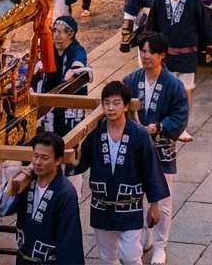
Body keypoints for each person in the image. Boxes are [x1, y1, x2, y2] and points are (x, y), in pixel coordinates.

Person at [71, 81, 167, 265]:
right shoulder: (95, 132)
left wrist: (154, 205)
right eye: (106, 103)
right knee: (107, 258)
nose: (111, 108)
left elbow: (150, 170)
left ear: (126, 106)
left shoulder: (139, 134)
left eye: (116, 103)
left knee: (131, 256)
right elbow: (80, 162)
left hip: (129, 206)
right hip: (102, 206)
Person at [121, 34, 188, 264]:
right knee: (137, 196)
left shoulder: (173, 84)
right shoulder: (130, 79)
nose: (146, 56)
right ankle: (143, 237)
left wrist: (159, 127)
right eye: (143, 51)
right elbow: (119, 106)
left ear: (162, 55)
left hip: (161, 147)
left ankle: (160, 245)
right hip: (137, 149)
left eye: (151, 52)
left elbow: (180, 114)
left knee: (163, 198)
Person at [142, 0, 212, 142]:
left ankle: (181, 127)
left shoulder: (193, 0)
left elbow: (204, 25)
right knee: (163, 89)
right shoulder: (159, 1)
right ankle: (162, 123)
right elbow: (151, 28)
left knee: (185, 91)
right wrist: (146, 45)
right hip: (165, 56)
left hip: (187, 54)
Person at [0, 132, 84, 264]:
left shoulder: (65, 193)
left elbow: (69, 242)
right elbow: (1, 210)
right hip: (24, 258)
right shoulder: (27, 182)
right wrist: (12, 181)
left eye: (44, 158)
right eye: (35, 156)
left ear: (58, 160)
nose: (37, 162)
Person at [34, 15, 90, 135]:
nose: (57, 36)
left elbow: (78, 62)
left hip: (68, 101)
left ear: (71, 35)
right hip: (49, 98)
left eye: (61, 32)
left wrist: (74, 70)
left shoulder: (77, 49)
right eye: (54, 31)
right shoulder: (49, 48)